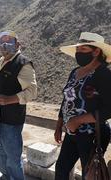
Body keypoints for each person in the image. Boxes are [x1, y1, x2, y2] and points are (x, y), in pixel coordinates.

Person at [0, 30, 37, 180]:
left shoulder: (23, 64)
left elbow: (32, 91)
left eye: (8, 42)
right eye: (2, 42)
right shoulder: (1, 61)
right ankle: (5, 176)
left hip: (11, 120)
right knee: (0, 150)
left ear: (17, 44)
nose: (4, 46)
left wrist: (9, 99)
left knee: (13, 156)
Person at [54, 32, 111, 179]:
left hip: (92, 135)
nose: (79, 53)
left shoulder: (104, 74)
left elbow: (109, 109)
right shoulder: (75, 72)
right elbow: (67, 100)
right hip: (72, 133)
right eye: (78, 50)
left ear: (96, 51)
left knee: (90, 173)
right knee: (61, 169)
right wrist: (59, 124)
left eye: (83, 50)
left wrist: (77, 121)